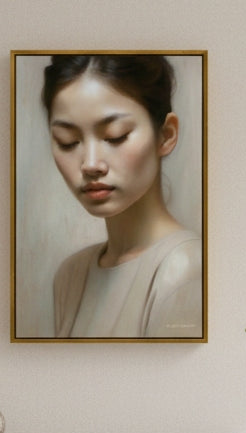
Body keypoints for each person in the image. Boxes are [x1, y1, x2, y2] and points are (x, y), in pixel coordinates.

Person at [41, 54, 203, 338]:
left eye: (115, 136)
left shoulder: (183, 268)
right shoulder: (71, 275)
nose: (91, 164)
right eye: (68, 142)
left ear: (165, 135)